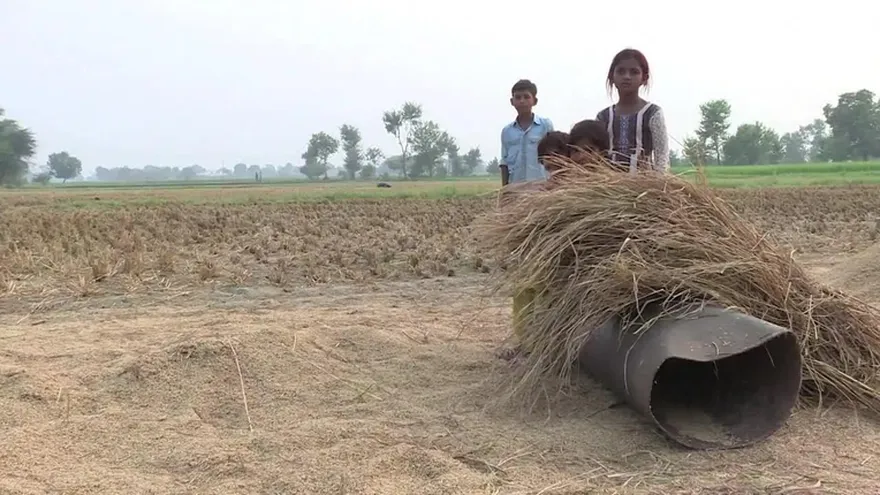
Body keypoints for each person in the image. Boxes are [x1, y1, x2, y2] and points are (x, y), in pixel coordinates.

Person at [596, 48, 670, 173]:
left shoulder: (653, 113)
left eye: (634, 72)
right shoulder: (603, 117)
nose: (627, 77)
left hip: (644, 185)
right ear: (612, 76)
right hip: (608, 186)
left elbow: (661, 155)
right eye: (621, 71)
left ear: (644, 78)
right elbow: (596, 154)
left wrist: (659, 185)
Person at [499, 79, 555, 186]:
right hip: (515, 189)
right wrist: (505, 191)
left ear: (535, 101)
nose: (522, 101)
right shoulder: (507, 131)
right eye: (518, 97)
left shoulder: (545, 125)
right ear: (512, 101)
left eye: (526, 97)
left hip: (541, 188)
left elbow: (555, 157)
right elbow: (504, 163)